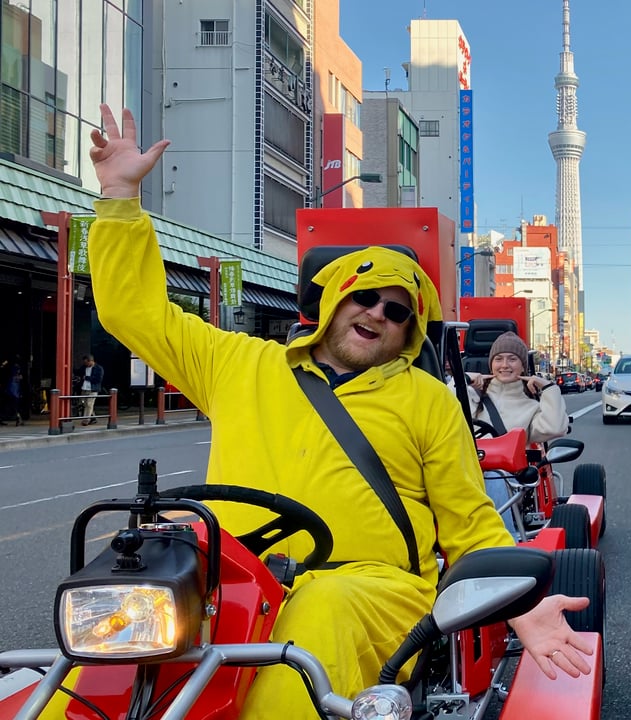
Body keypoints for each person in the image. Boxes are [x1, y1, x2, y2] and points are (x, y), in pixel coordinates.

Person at [84, 106, 591, 719]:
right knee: (109, 639)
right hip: (228, 583)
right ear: (334, 301)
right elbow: (134, 313)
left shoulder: (428, 398)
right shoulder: (239, 362)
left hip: (373, 588)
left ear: (408, 334)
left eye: (397, 311)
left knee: (314, 622)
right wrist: (119, 200)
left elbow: (469, 521)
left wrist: (524, 608)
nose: (378, 313)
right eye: (365, 296)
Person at [465, 331, 569, 532]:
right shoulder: (471, 396)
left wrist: (549, 388)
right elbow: (441, 412)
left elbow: (555, 427)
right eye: (499, 359)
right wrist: (463, 381)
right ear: (491, 364)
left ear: (523, 366)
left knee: (494, 478)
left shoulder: (530, 407)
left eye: (512, 359)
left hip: (508, 478)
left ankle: (504, 541)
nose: (504, 365)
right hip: (467, 471)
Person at [79, 354, 104, 424]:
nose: (85, 364)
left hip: (93, 389)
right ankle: (93, 418)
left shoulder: (99, 368)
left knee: (89, 404)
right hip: (84, 388)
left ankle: (86, 420)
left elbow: (98, 379)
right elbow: (79, 372)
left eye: (86, 362)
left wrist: (87, 378)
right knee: (85, 404)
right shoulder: (84, 367)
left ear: (91, 361)